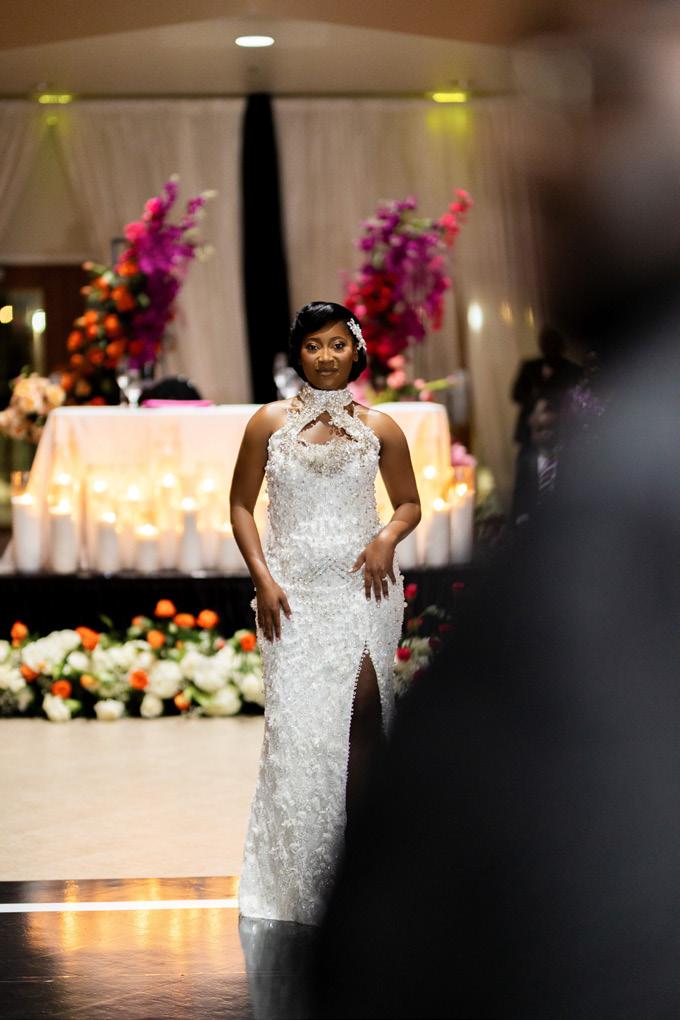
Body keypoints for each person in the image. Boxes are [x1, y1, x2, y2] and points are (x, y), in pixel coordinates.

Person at [229, 300, 421, 927]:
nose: (326, 356)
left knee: (362, 716)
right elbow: (239, 506)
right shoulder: (268, 423)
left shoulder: (380, 427)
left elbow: (409, 503)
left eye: (338, 343)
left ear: (356, 349)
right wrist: (263, 579)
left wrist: (387, 537)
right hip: (291, 595)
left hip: (365, 591)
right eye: (313, 345)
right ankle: (303, 873)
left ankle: (360, 868)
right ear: (298, 353)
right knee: (298, 729)